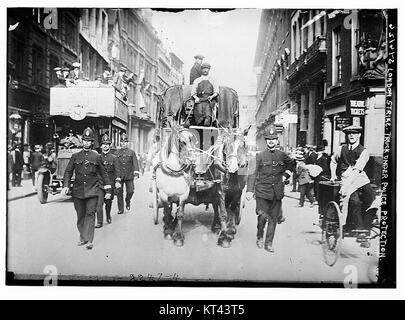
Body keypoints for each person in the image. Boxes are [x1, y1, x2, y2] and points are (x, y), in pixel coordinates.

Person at [246, 126, 294, 253]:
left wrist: (285, 175)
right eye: (269, 139)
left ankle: (268, 243)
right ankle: (259, 236)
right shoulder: (260, 156)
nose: (271, 141)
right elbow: (252, 174)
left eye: (273, 139)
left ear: (277, 140)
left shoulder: (282, 155)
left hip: (277, 193)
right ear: (266, 141)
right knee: (262, 217)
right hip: (262, 192)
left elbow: (292, 164)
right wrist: (249, 191)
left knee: (273, 219)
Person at [62, 128, 111, 250]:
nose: (87, 143)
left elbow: (104, 173)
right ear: (82, 141)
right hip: (78, 191)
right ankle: (82, 237)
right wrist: (66, 186)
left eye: (89, 141)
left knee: (90, 213)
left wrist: (108, 189)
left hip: (93, 190)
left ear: (92, 142)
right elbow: (68, 172)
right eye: (85, 140)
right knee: (80, 215)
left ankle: (89, 240)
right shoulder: (75, 156)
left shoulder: (97, 156)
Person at [330, 125, 376, 233]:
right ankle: (359, 229)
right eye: (349, 133)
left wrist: (346, 187)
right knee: (354, 201)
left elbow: (357, 170)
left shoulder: (364, 151)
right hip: (346, 178)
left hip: (360, 178)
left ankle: (367, 225)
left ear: (359, 135)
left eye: (354, 133)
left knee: (371, 198)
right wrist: (333, 175)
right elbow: (333, 160)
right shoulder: (341, 148)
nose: (351, 135)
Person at [95, 134, 122, 228]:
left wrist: (117, 181)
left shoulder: (114, 158)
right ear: (101, 146)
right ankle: (99, 221)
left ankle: (108, 215)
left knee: (108, 202)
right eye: (103, 144)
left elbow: (117, 170)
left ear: (110, 145)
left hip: (110, 184)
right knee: (99, 203)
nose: (105, 146)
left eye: (107, 144)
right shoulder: (97, 157)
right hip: (99, 183)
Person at [115, 133, 140, 214]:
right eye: (122, 142)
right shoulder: (116, 153)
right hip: (119, 176)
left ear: (127, 143)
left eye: (125, 142)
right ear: (120, 143)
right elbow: (115, 165)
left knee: (131, 191)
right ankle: (120, 209)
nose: (123, 143)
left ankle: (127, 201)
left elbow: (135, 163)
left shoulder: (131, 152)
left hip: (129, 176)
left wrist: (136, 173)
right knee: (119, 192)